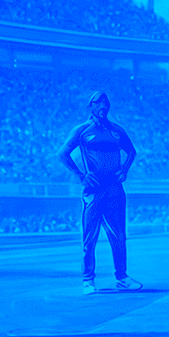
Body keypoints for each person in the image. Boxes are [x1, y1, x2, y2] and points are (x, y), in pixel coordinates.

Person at [58, 91, 142, 294]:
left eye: (106, 102)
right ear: (91, 106)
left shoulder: (116, 130)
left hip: (115, 190)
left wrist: (125, 170)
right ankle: (88, 279)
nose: (103, 106)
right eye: (98, 102)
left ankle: (122, 277)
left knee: (119, 235)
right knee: (90, 236)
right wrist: (81, 176)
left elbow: (132, 151)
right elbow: (62, 154)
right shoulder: (82, 130)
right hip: (94, 190)